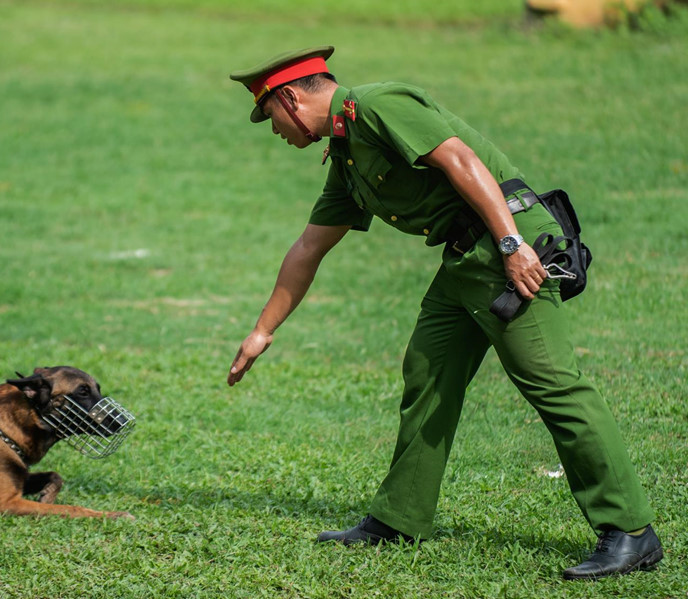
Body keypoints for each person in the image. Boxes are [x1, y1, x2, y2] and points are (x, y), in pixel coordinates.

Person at [225, 46, 663, 580]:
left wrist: (511, 245)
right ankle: (399, 518)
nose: (271, 128)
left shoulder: (377, 104)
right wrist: (261, 332)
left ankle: (631, 532)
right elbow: (309, 247)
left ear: (290, 97)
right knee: (428, 373)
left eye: (267, 113)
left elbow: (461, 160)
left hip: (508, 249)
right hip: (464, 260)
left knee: (553, 384)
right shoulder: (347, 157)